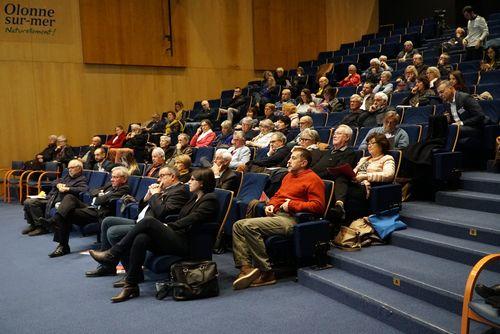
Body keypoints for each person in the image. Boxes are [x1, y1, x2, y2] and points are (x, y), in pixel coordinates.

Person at [89, 168, 219, 302]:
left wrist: (169, 226)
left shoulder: (210, 199)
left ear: (202, 183)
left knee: (149, 221)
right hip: (178, 236)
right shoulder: (194, 198)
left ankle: (112, 254)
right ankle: (131, 285)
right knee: (141, 238)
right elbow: (180, 216)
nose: (189, 182)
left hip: (188, 242)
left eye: (192, 180)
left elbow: (193, 219)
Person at [232, 148, 325, 289]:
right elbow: (278, 196)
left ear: (304, 162)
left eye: (293, 158)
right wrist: (271, 205)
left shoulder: (313, 179)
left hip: (293, 220)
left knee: (248, 226)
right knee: (238, 225)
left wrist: (292, 205)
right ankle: (246, 269)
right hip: (278, 215)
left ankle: (266, 272)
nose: (288, 161)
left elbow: (318, 207)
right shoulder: (288, 176)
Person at [85, 166, 189, 278]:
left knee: (113, 232)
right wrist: (147, 197)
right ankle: (107, 267)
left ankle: (132, 273)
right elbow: (142, 208)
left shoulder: (179, 191)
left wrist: (155, 195)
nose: (158, 180)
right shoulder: (165, 189)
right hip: (140, 221)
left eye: (162, 176)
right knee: (107, 221)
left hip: (151, 226)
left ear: (172, 177)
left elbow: (162, 212)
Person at [40, 166, 130, 258]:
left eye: (115, 177)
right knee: (69, 197)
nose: (112, 179)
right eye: (112, 177)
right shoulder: (109, 185)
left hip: (98, 213)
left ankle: (62, 244)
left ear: (124, 179)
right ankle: (56, 221)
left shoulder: (124, 188)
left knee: (66, 213)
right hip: (91, 207)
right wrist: (99, 194)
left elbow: (99, 201)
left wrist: (99, 197)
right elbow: (92, 190)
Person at [22, 159, 88, 236]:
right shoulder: (67, 176)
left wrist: (68, 188)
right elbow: (54, 182)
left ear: (79, 168)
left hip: (58, 200)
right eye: (68, 168)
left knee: (32, 202)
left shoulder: (81, 179)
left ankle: (41, 227)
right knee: (27, 201)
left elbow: (84, 189)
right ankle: (32, 224)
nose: (69, 170)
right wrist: (58, 185)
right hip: (51, 197)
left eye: (71, 168)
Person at [345, 133, 395, 220]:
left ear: (381, 145)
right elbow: (354, 172)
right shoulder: (363, 159)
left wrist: (365, 177)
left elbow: (389, 175)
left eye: (372, 143)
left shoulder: (387, 158)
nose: (369, 145)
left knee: (347, 192)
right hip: (355, 183)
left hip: (367, 186)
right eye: (368, 143)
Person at [312, 125, 356, 222]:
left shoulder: (349, 152)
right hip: (313, 176)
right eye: (335, 133)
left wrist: (315, 176)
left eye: (339, 133)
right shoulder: (328, 152)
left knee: (341, 177)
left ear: (347, 138)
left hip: (325, 179)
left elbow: (338, 170)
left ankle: (339, 205)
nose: (334, 136)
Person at [437, 80, 485, 150]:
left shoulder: (465, 97)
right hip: (457, 128)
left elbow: (480, 116)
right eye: (438, 93)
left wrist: (462, 123)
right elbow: (456, 118)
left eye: (442, 92)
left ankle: (449, 153)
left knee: (452, 129)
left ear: (451, 88)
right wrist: (448, 120)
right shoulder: (446, 103)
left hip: (472, 127)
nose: (440, 95)